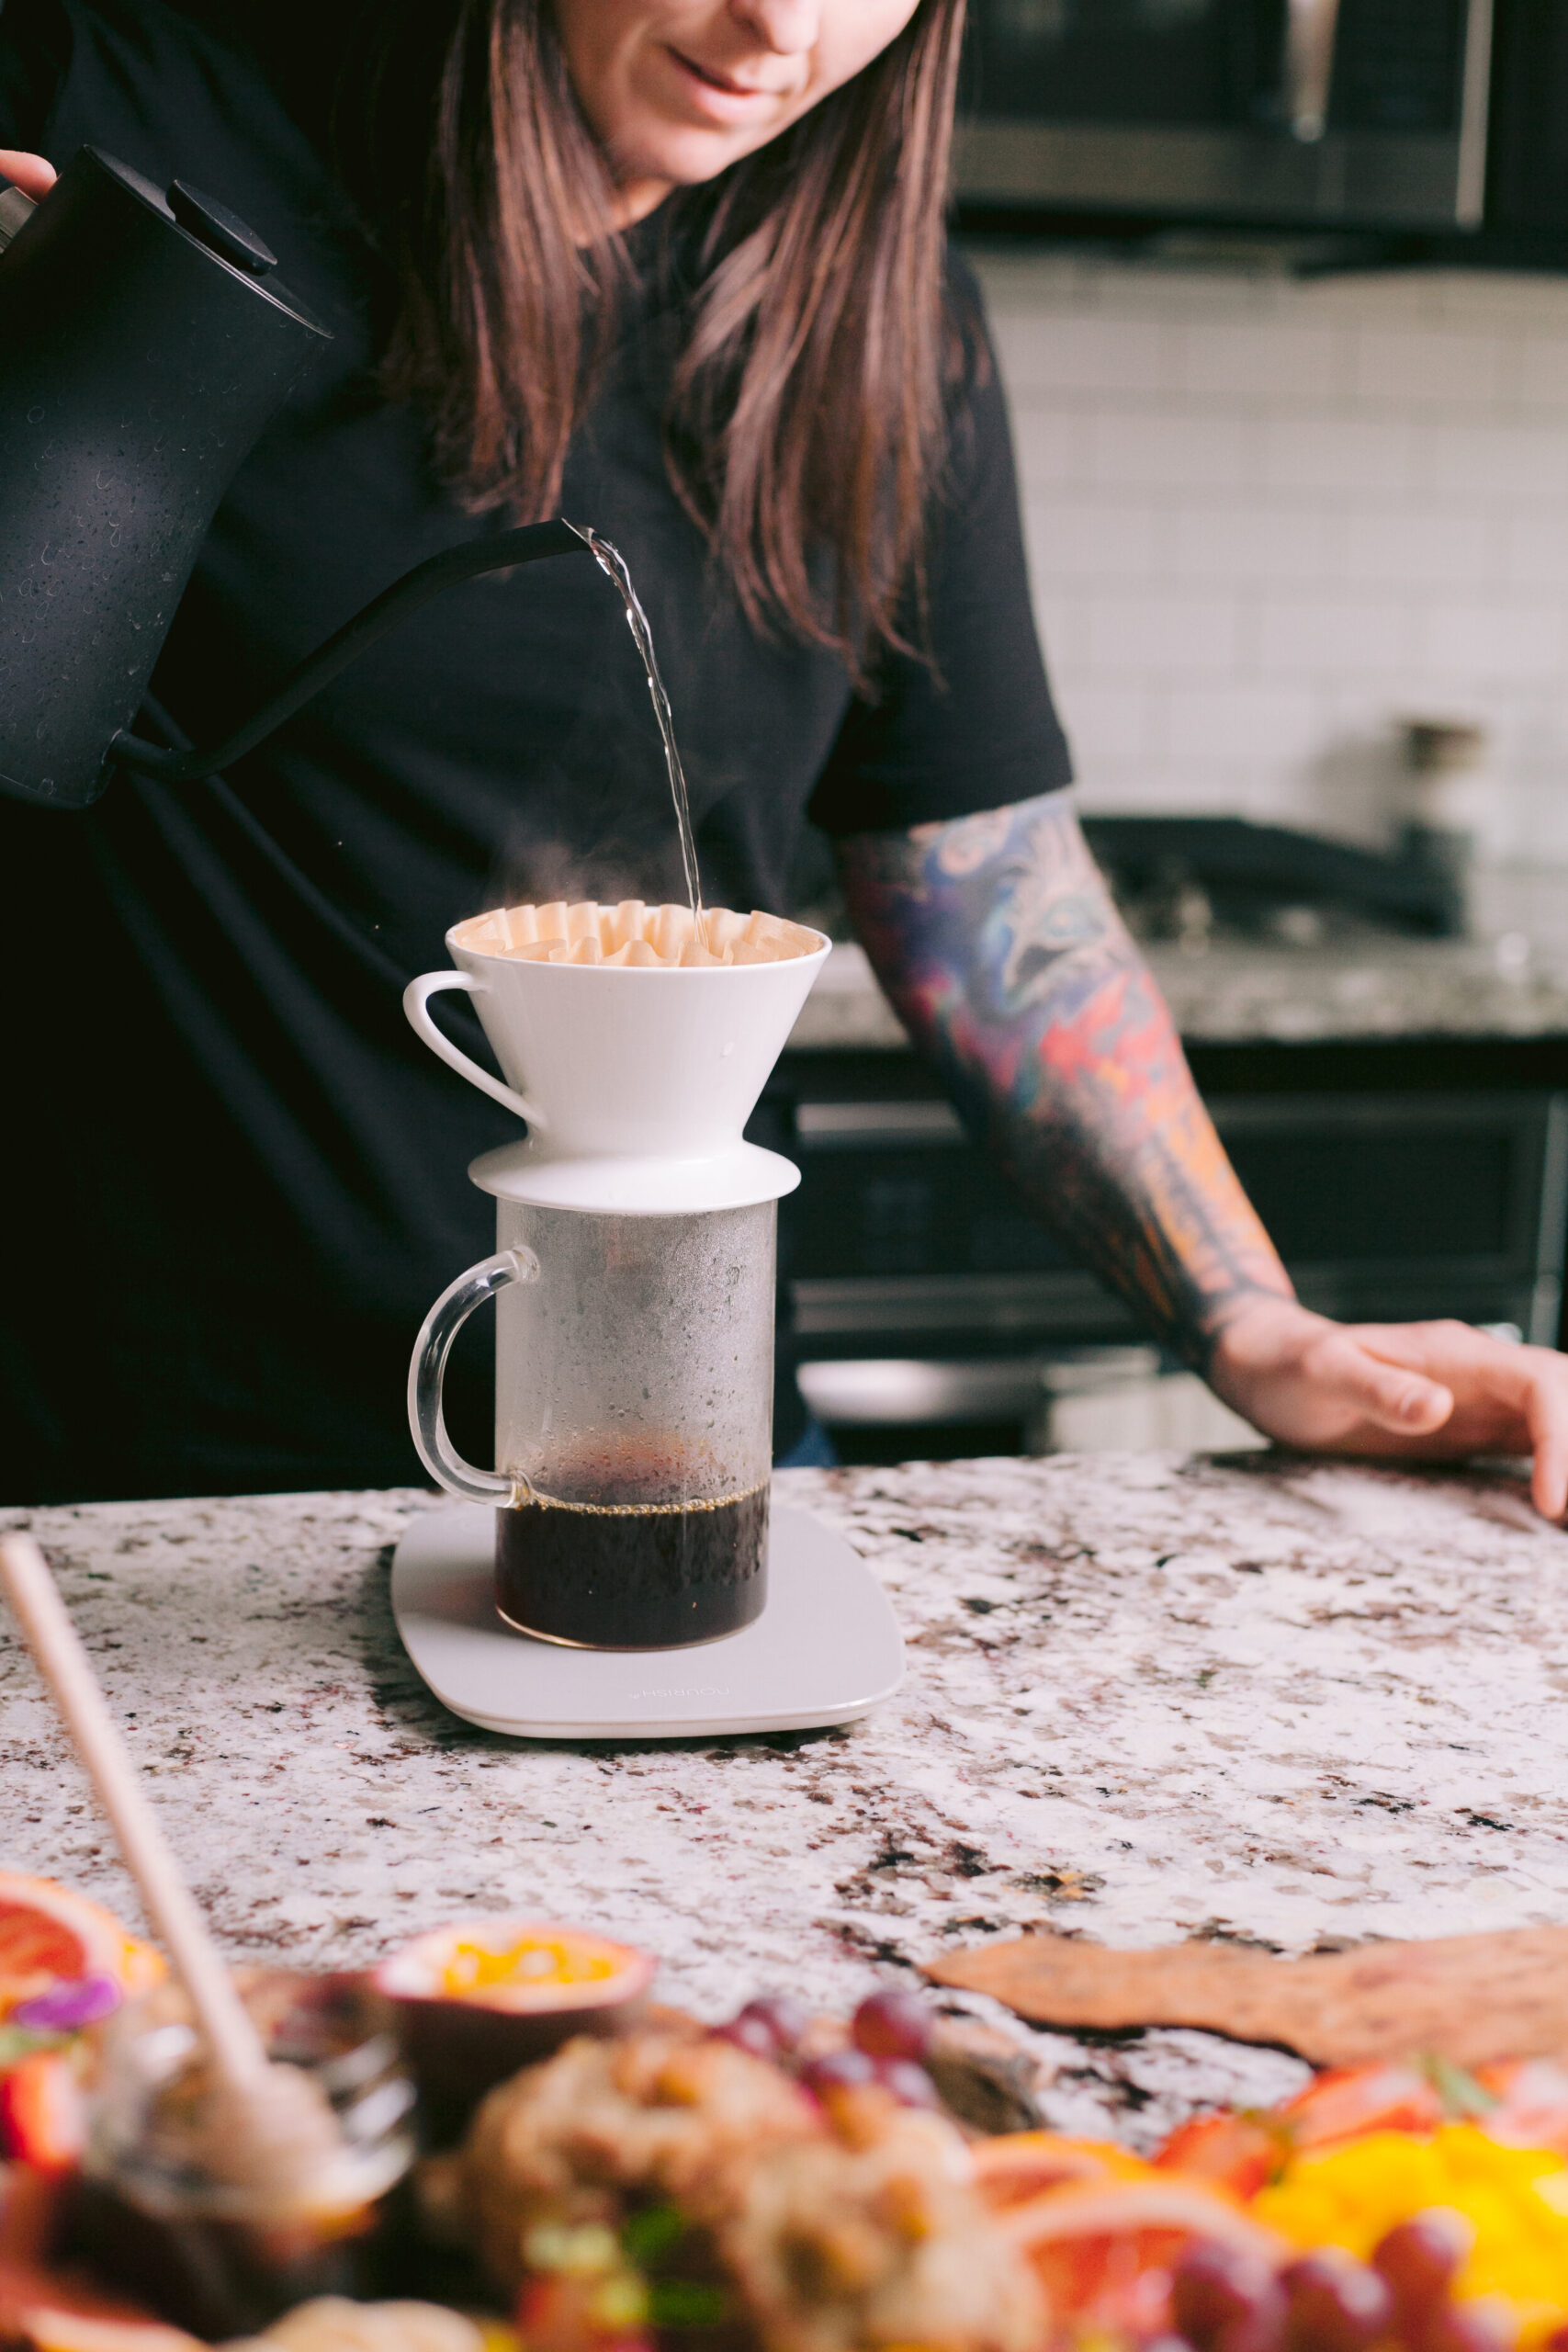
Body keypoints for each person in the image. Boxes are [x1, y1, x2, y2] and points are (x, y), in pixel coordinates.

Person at [2, 0, 1565, 1517]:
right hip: (135, 1482)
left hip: (677, 1451)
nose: (780, 25)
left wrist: (1253, 1325)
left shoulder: (884, 324)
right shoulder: (115, 111)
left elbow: (989, 894)